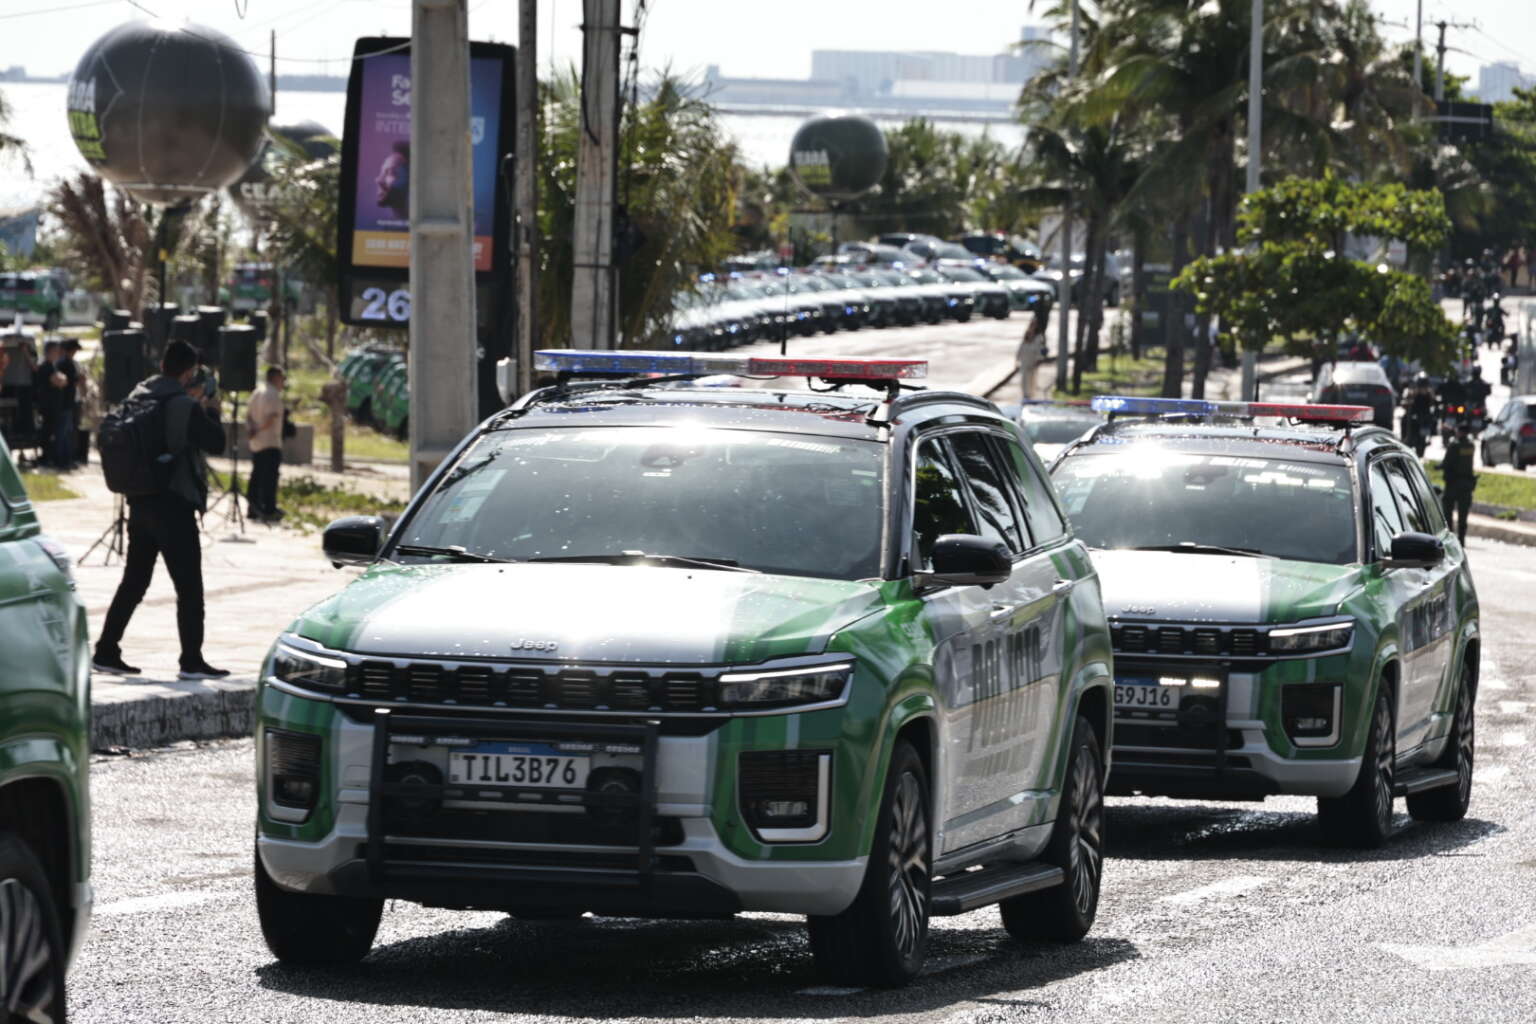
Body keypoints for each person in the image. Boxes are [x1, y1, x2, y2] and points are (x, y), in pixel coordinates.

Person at [91, 340, 229, 680]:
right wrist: (209, 407)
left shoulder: (139, 395)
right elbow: (217, 442)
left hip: (139, 503)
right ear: (188, 372)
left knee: (134, 582)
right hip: (174, 504)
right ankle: (191, 660)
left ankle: (106, 650)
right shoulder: (183, 404)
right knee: (189, 588)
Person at [245, 364, 286, 523]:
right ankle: (268, 509)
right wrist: (259, 429)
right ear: (275, 378)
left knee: (256, 476)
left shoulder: (257, 392)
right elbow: (271, 418)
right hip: (269, 441)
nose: (283, 382)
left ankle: (253, 509)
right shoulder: (272, 394)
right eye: (282, 378)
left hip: (256, 442)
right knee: (269, 478)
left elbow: (248, 415)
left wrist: (252, 430)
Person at [1441, 421, 1477, 544]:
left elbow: (1446, 463)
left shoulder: (1454, 445)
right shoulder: (1471, 446)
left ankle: (1450, 537)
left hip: (1453, 484)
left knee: (1447, 510)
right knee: (1463, 513)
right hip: (1466, 484)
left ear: (1459, 431)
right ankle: (1462, 538)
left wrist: (1437, 467)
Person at [52, 338, 80, 468]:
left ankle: (63, 459)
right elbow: (72, 381)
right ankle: (63, 460)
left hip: (61, 403)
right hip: (66, 403)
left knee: (63, 432)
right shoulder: (67, 364)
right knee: (64, 432)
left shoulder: (59, 363)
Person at [1016, 306, 1047, 398]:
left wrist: (1039, 359)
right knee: (1024, 380)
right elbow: (1022, 346)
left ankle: (1030, 396)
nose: (1033, 326)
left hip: (1033, 362)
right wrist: (1017, 358)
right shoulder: (1027, 334)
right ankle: (1025, 396)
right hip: (1024, 361)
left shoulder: (1039, 337)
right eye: (1031, 324)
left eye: (1034, 324)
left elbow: (1040, 350)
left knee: (1031, 380)